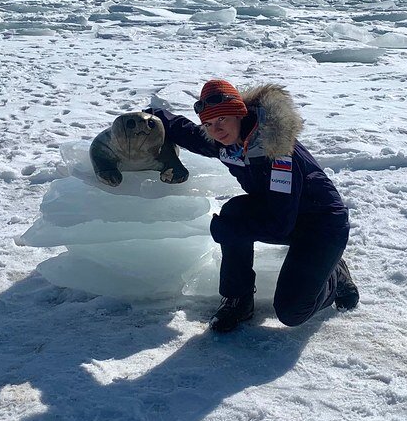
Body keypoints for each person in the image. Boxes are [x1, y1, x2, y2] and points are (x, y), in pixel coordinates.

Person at [149, 78, 358, 332]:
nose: (216, 129)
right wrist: (150, 117)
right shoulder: (228, 142)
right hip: (283, 213)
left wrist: (226, 231)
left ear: (239, 113)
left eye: (222, 119)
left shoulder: (277, 151)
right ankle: (238, 299)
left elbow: (280, 225)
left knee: (292, 312)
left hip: (322, 226)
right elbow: (188, 134)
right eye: (209, 124)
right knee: (234, 214)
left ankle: (335, 275)